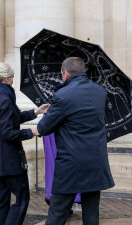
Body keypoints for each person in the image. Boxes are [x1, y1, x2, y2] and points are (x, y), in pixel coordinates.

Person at [33, 57, 114, 225]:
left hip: (71, 164)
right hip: (95, 161)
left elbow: (44, 128)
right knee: (92, 214)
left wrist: (50, 111)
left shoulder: (62, 95)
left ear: (66, 73)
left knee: (57, 214)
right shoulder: (100, 91)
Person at [0, 62, 49, 225]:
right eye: (12, 77)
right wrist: (32, 132)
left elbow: (13, 119)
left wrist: (36, 112)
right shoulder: (4, 99)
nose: (13, 80)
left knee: (3, 200)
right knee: (22, 198)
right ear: (6, 79)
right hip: (10, 160)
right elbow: (8, 133)